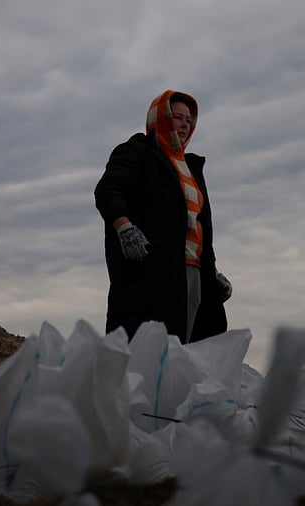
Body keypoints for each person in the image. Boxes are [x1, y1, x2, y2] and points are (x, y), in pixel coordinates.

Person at [94, 90, 232, 344]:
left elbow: (196, 228)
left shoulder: (190, 168)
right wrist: (124, 227)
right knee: (150, 353)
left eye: (189, 120)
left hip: (190, 275)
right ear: (159, 118)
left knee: (192, 351)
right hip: (151, 274)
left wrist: (209, 276)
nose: (184, 124)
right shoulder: (137, 153)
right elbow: (108, 190)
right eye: (177, 117)